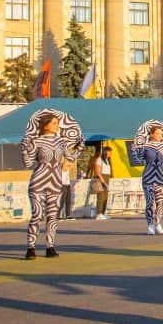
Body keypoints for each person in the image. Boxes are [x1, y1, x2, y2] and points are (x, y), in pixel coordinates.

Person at [21, 110, 84, 259]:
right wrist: (25, 150)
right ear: (45, 125)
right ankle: (31, 247)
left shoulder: (61, 141)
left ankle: (50, 246)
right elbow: (27, 163)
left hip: (56, 182)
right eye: (54, 123)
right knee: (37, 215)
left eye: (58, 123)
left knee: (52, 216)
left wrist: (80, 147)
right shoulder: (36, 141)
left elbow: (70, 157)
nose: (57, 126)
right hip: (38, 181)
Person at [132, 122, 163, 236]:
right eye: (158, 133)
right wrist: (134, 152)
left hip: (160, 177)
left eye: (161, 134)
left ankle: (158, 224)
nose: (160, 136)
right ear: (151, 134)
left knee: (159, 202)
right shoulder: (145, 147)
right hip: (148, 177)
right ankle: (150, 225)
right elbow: (137, 161)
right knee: (149, 202)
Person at [89, 145, 113, 220]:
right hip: (101, 178)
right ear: (106, 152)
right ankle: (98, 214)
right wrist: (101, 177)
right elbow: (97, 170)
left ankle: (103, 213)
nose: (110, 154)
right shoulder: (99, 159)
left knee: (106, 196)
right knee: (101, 196)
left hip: (107, 178)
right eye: (109, 152)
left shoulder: (107, 160)